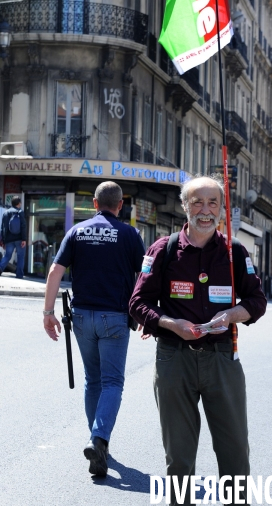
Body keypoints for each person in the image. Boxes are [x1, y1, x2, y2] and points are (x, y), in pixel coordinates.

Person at [129, 175, 266, 505]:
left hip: (222, 358)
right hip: (174, 359)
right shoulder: (162, 250)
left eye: (213, 203)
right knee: (178, 457)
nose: (205, 211)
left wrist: (231, 316)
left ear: (222, 208)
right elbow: (137, 303)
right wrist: (170, 323)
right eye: (197, 202)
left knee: (234, 454)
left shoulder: (235, 252)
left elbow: (257, 301)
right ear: (184, 206)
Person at [43, 181, 145, 477]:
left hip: (82, 317)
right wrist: (149, 315)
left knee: (93, 381)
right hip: (114, 316)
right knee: (112, 382)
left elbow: (55, 271)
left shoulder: (76, 231)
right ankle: (98, 439)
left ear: (95, 204)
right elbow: (144, 277)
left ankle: (96, 441)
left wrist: (48, 312)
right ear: (120, 205)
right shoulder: (129, 234)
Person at [0, 196, 27, 278]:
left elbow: (3, 228)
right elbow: (23, 226)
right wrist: (24, 239)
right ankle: (19, 275)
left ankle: (0, 269)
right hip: (19, 239)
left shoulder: (6, 213)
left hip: (9, 239)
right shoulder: (20, 212)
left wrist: (3, 241)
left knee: (7, 256)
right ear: (18, 204)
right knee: (20, 256)